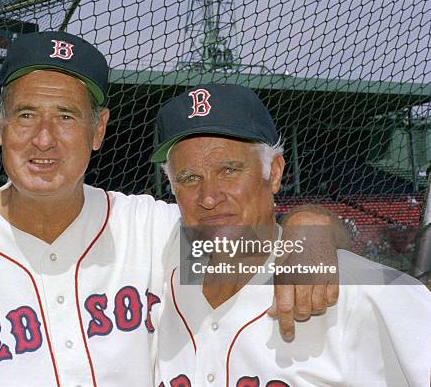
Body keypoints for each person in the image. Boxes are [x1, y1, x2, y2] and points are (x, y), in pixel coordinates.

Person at [0, 32, 341, 385]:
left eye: (67, 117)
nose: (44, 140)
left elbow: (262, 243)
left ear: (98, 131)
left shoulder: (153, 229)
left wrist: (310, 227)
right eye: (26, 114)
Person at [151, 84, 431, 386]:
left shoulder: (370, 292)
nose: (208, 197)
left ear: (274, 173)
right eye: (190, 178)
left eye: (229, 170)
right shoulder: (155, 277)